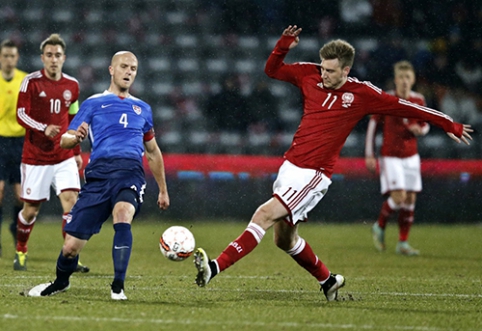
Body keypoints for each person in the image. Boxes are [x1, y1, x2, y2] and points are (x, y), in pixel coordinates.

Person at [192, 25, 472, 301]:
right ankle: (329, 281)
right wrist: (282, 48)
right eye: (323, 68)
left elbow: (405, 106)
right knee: (284, 240)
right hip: (291, 166)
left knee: (262, 216)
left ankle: (213, 268)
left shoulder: (362, 94)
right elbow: (272, 71)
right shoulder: (309, 74)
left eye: (330, 70)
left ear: (346, 70)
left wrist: (448, 123)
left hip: (314, 174)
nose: (323, 74)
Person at [27, 51, 170, 300]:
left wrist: (163, 189)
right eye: (124, 66)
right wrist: (76, 137)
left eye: (133, 68)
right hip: (99, 174)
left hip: (130, 172)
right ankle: (61, 282)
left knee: (123, 214)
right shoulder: (93, 103)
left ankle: (118, 287)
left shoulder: (143, 109)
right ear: (111, 70)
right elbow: (65, 139)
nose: (129, 72)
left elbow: (153, 151)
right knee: (71, 247)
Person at [14, 33, 89, 273]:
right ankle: (21, 250)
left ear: (64, 58)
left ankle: (69, 257)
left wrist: (76, 150)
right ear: (42, 58)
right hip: (36, 157)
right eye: (49, 55)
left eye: (58, 55)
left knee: (71, 204)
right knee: (31, 210)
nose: (53, 59)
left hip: (63, 156)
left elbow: (73, 118)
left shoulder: (72, 85)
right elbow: (21, 114)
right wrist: (42, 127)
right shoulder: (30, 82)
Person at [365, 61, 430, 256]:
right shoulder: (386, 99)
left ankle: (402, 242)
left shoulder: (418, 100)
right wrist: (369, 154)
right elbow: (372, 126)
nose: (404, 81)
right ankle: (379, 225)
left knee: (410, 199)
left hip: (411, 155)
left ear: (413, 80)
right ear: (395, 80)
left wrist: (421, 130)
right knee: (399, 196)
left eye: (407, 77)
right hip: (391, 156)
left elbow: (426, 123)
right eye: (401, 77)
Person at [0, 39, 27, 257]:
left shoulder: (25, 81)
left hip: (19, 142)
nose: (9, 59)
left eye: (12, 56)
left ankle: (14, 226)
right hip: (0, 141)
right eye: (5, 56)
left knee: (21, 196)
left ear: (17, 58)